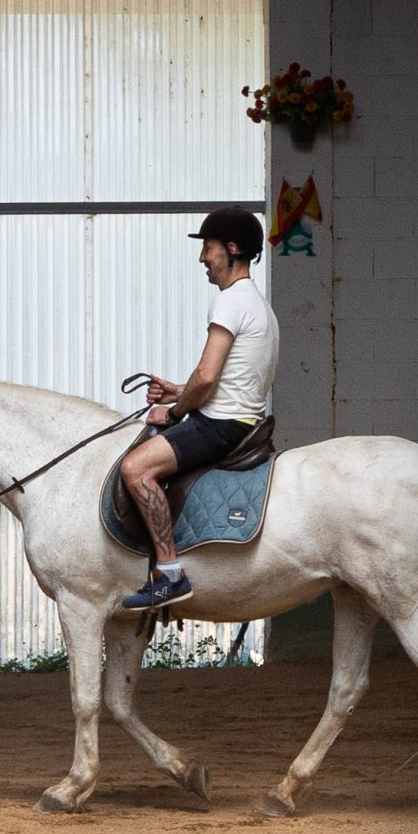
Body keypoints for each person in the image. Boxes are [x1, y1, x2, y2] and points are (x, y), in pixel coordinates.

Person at [118, 208, 279, 612]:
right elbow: (224, 379)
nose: (202, 258)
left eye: (207, 248)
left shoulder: (228, 302)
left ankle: (170, 573)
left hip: (221, 425)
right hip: (241, 420)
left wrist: (172, 414)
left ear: (231, 248)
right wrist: (175, 391)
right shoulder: (258, 305)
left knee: (135, 469)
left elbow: (206, 379)